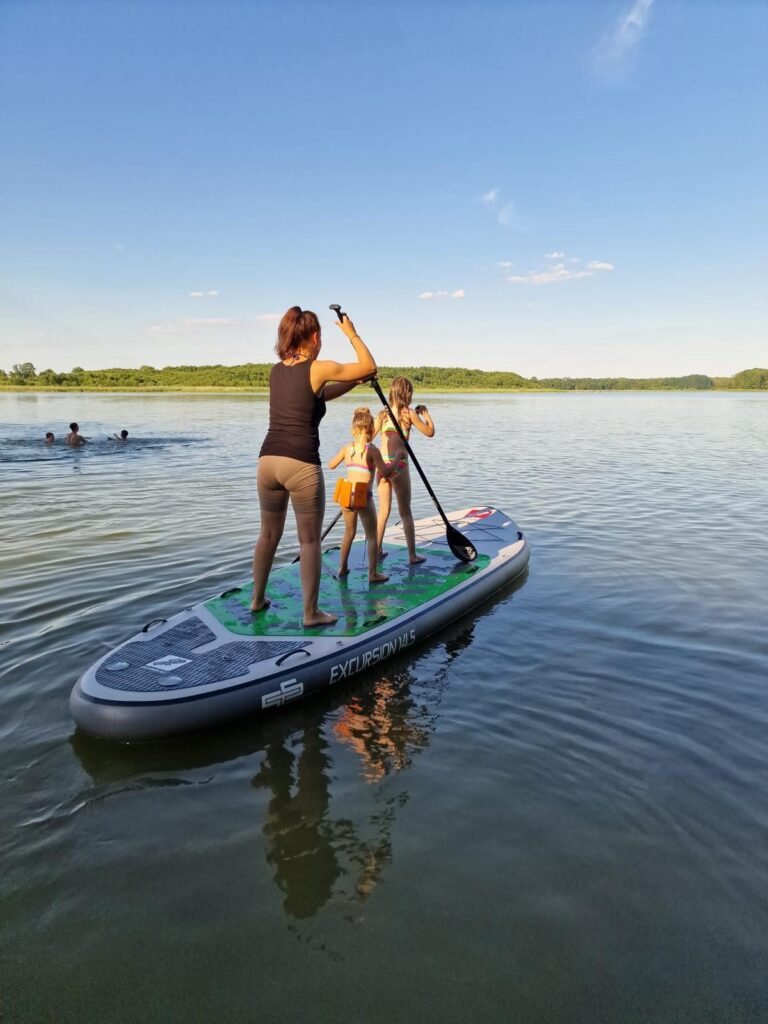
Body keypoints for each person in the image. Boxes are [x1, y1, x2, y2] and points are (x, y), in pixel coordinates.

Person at [251, 306, 376, 627]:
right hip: (300, 464)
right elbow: (370, 365)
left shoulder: (276, 371)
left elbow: (317, 396)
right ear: (316, 337)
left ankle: (257, 599)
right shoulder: (318, 367)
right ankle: (310, 613)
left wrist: (354, 382)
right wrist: (351, 334)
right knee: (309, 541)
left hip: (268, 461)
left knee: (268, 535)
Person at [328, 407, 396, 583]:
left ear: (353, 431)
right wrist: (398, 458)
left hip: (347, 495)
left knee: (349, 532)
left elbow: (331, 465)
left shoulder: (347, 448)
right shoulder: (373, 450)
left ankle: (342, 567)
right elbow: (386, 472)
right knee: (372, 536)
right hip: (363, 497)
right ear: (372, 431)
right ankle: (372, 574)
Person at [374, 378, 435, 564]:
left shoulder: (382, 415)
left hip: (382, 465)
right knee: (405, 512)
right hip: (399, 465)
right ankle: (412, 555)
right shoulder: (409, 414)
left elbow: (368, 437)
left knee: (383, 511)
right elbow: (430, 432)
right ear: (407, 394)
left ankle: (377, 550)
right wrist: (426, 414)